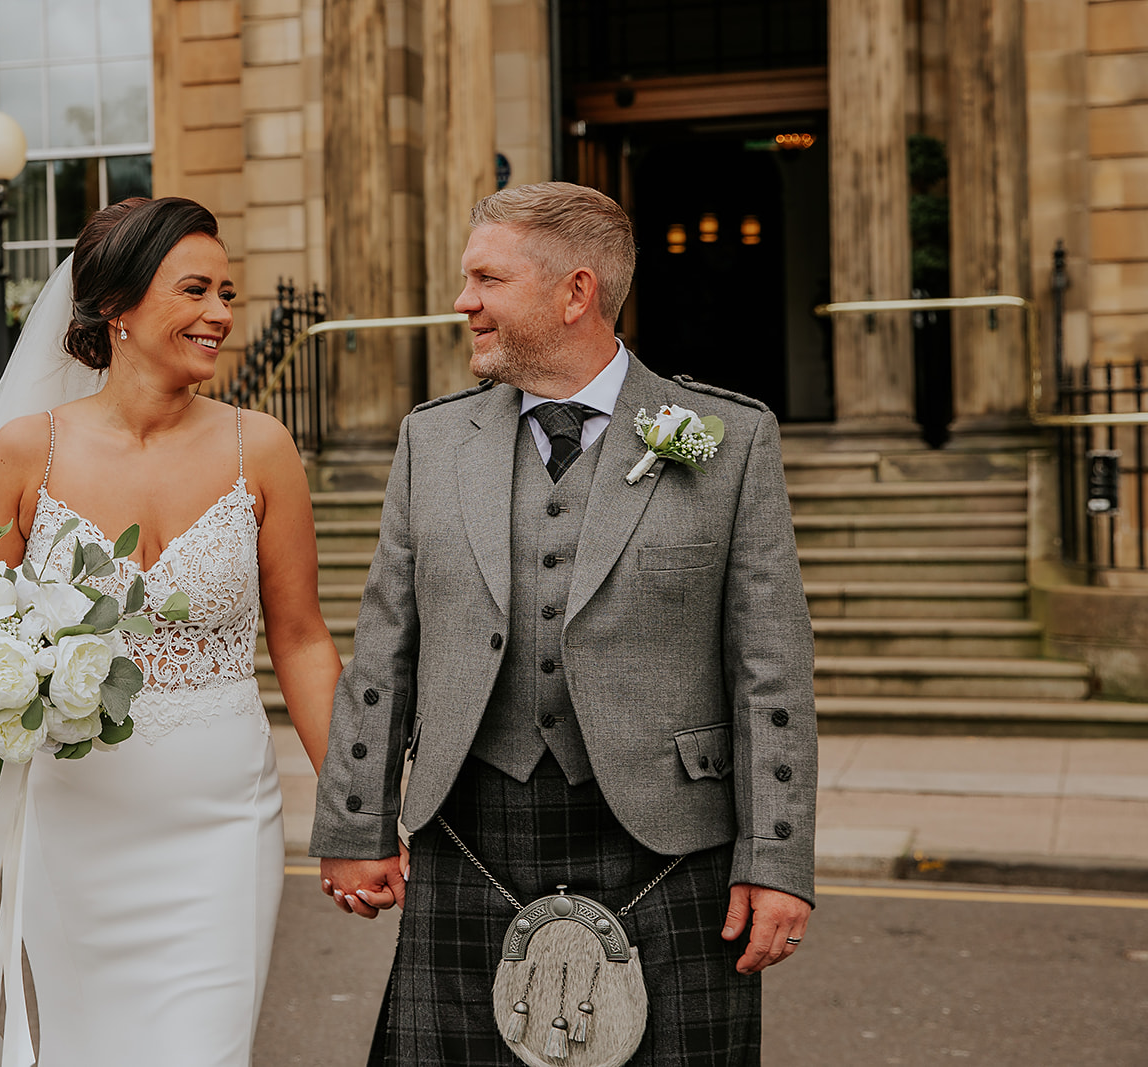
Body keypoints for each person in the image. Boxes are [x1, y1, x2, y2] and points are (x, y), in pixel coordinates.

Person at [0, 197, 341, 1066]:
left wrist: (354, 813)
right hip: (72, 815)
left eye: (228, 292)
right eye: (196, 290)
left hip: (220, 811)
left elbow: (305, 641)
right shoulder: (26, 452)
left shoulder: (264, 447)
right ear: (119, 309)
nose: (220, 314)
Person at [310, 181, 817, 1065]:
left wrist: (776, 860)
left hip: (670, 839)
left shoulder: (727, 439)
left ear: (574, 293)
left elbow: (771, 669)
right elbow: (385, 644)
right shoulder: (432, 440)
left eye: (486, 280)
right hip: (470, 827)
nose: (463, 302)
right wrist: (354, 824)